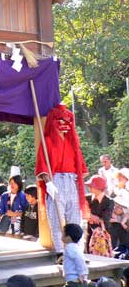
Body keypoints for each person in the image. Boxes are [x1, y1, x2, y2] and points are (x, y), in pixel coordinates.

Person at [35, 104, 88, 260]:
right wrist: (48, 182)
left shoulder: (73, 142)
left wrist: (78, 185)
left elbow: (80, 167)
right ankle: (60, 252)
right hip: (55, 180)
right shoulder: (48, 141)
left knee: (74, 218)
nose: (65, 123)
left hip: (72, 181)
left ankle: (76, 251)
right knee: (55, 217)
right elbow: (42, 163)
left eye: (68, 120)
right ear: (54, 120)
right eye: (61, 120)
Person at [85, 175, 114, 253]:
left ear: (98, 188)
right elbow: (81, 211)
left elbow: (106, 218)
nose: (89, 187)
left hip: (102, 234)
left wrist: (92, 218)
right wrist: (90, 216)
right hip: (87, 232)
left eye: (91, 186)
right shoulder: (86, 198)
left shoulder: (109, 201)